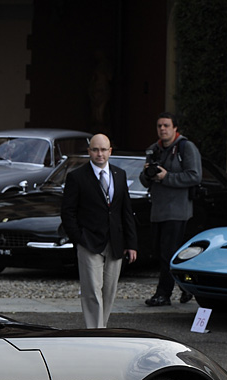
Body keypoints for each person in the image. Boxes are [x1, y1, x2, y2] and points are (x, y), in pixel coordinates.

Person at [60, 133, 137, 329]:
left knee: (109, 290)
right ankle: (94, 331)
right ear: (89, 152)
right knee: (92, 290)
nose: (99, 154)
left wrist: (131, 244)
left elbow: (126, 210)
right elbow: (68, 212)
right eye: (95, 149)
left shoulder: (120, 175)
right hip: (88, 242)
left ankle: (101, 329)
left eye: (103, 150)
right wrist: (79, 238)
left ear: (110, 151)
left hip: (115, 241)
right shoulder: (77, 177)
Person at [139, 112, 202, 307]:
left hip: (177, 209)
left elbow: (194, 176)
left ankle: (163, 295)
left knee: (168, 253)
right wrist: (148, 174)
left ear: (175, 128)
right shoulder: (153, 150)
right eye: (159, 126)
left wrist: (167, 177)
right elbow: (143, 181)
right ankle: (187, 288)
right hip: (158, 209)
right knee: (161, 252)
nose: (162, 129)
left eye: (166, 125)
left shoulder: (186, 147)